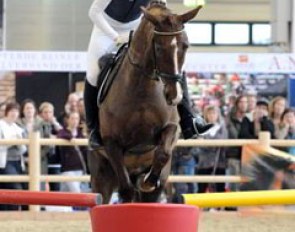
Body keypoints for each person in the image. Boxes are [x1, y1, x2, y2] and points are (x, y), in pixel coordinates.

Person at [84, 0, 212, 149]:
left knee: (172, 62)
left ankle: (188, 119)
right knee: (93, 74)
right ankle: (93, 129)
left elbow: (162, 11)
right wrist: (115, 37)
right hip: (105, 29)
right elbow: (93, 12)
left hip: (136, 27)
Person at [0, 103, 27, 210]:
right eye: (12, 111)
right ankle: (14, 211)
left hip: (18, 161)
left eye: (16, 111)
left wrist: (19, 143)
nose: (14, 114)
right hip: (5, 161)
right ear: (6, 112)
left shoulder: (18, 128)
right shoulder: (1, 125)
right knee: (15, 186)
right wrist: (13, 141)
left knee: (17, 186)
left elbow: (24, 148)